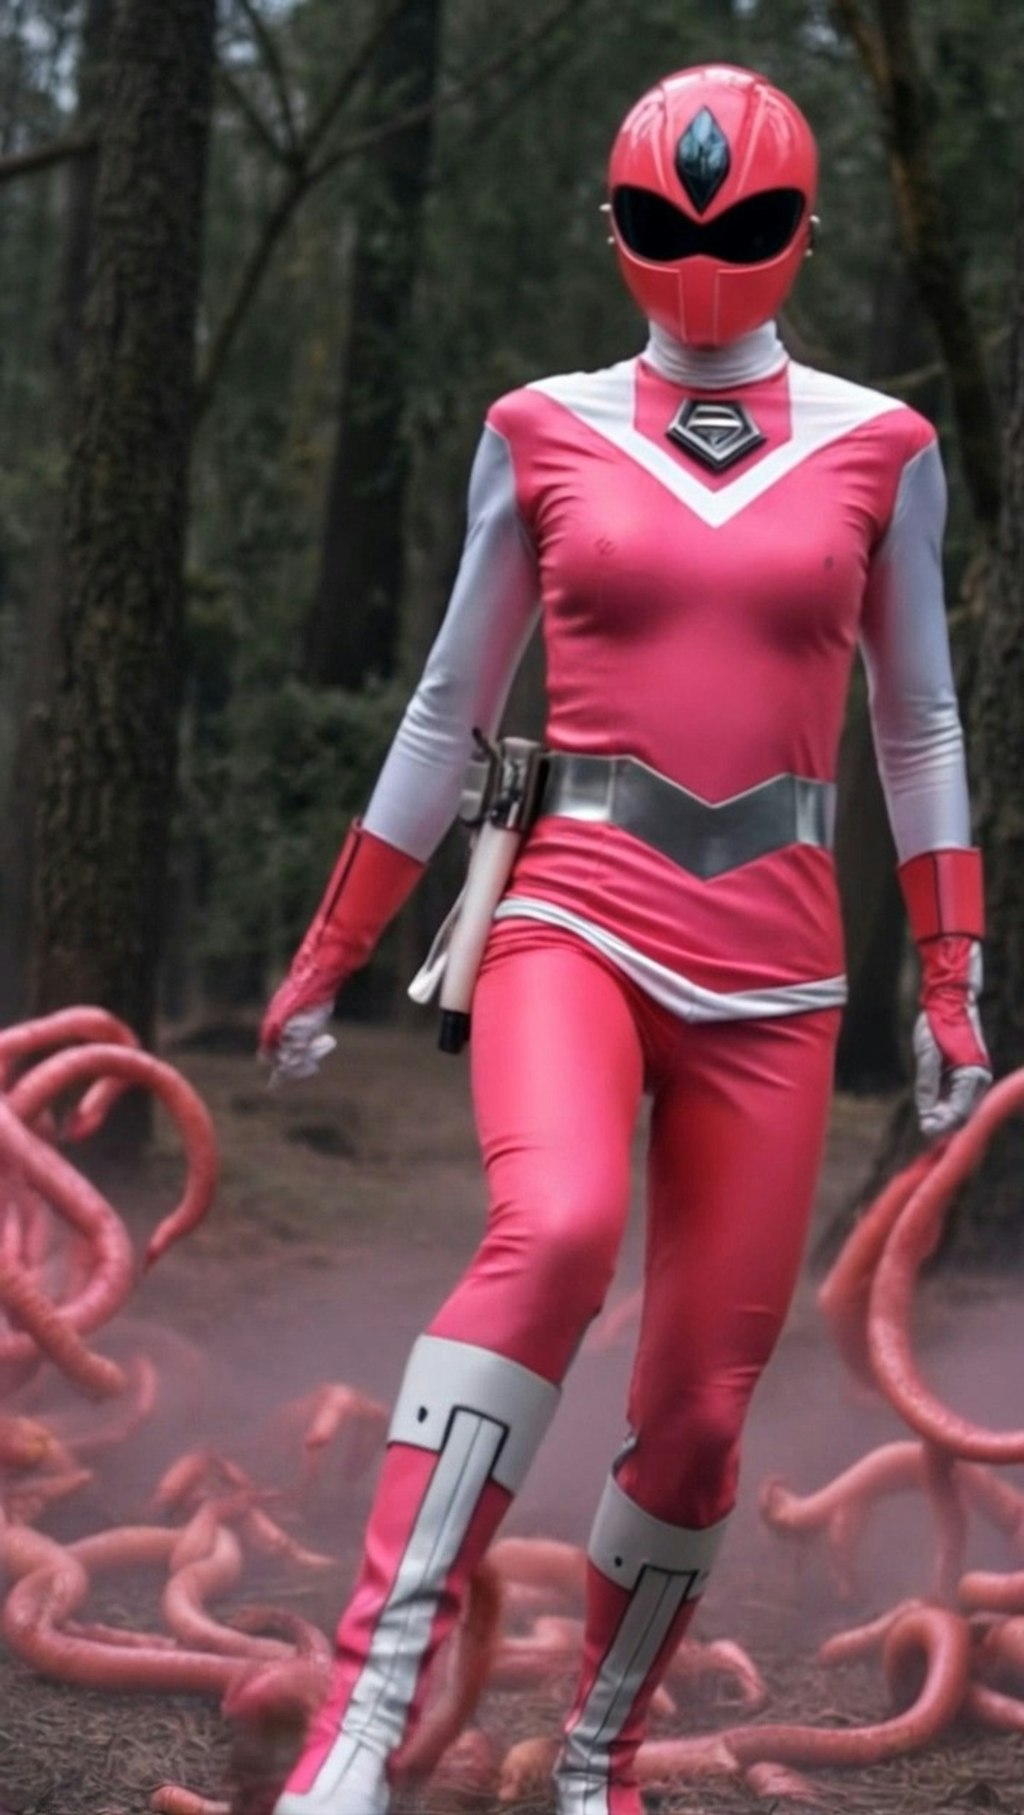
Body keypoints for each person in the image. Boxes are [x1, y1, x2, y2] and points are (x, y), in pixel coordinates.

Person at [259, 63, 991, 1815]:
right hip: (571, 915)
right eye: (666, 219)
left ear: (803, 228)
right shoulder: (538, 428)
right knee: (560, 1230)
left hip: (780, 972)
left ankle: (600, 1760)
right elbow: (449, 704)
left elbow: (919, 725)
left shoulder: (884, 446)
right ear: (614, 227)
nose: (702, 253)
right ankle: (362, 1716)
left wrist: (953, 974)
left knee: (703, 1407)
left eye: (741, 221)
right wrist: (334, 942)